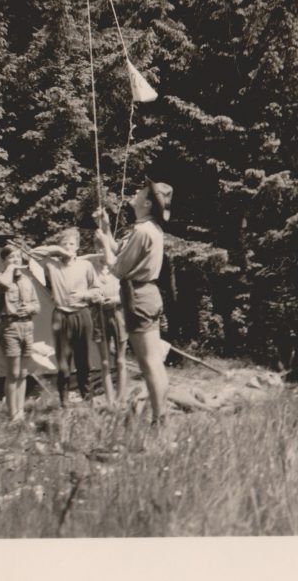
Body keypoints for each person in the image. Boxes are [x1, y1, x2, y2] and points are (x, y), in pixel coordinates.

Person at [95, 177, 173, 424]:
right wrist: (106, 229)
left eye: (142, 192)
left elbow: (117, 267)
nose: (137, 193)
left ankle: (159, 420)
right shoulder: (148, 228)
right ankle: (161, 416)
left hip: (138, 296)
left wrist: (102, 243)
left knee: (148, 363)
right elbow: (120, 251)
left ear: (147, 203)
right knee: (154, 362)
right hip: (147, 294)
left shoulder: (141, 231)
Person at [29, 228, 101, 405]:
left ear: (77, 246)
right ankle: (64, 400)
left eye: (71, 244)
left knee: (83, 359)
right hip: (61, 315)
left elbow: (97, 291)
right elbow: (32, 254)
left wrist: (84, 295)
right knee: (63, 360)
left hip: (82, 314)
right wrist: (57, 250)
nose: (68, 247)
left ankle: (87, 398)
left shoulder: (85, 265)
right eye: (64, 243)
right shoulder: (52, 265)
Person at [0, 245, 41, 422]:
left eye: (17, 257)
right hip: (10, 327)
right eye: (11, 257)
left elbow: (37, 305)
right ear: (4, 261)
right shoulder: (0, 279)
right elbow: (3, 285)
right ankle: (12, 413)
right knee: (13, 373)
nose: (15, 260)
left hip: (27, 326)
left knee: (23, 373)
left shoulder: (27, 280)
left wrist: (30, 308)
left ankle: (20, 411)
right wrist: (10, 269)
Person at [89, 254, 129, 405]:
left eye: (104, 249)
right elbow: (87, 294)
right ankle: (109, 399)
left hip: (118, 314)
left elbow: (129, 294)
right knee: (105, 362)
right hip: (99, 316)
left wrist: (116, 300)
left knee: (120, 360)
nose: (102, 253)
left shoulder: (120, 270)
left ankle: (121, 398)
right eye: (98, 248)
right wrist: (95, 298)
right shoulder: (91, 271)